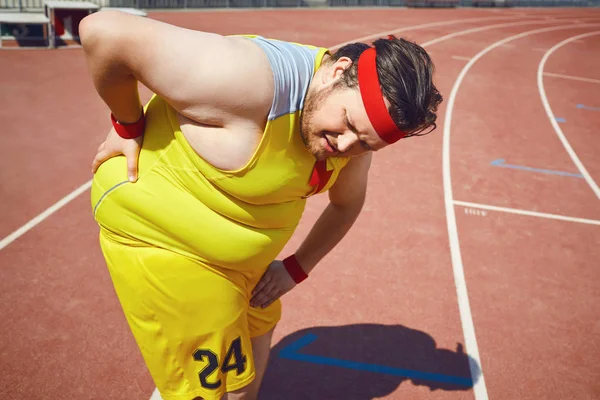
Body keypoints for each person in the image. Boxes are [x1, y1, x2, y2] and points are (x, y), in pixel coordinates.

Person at [79, 9, 442, 400]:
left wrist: (297, 268)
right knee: (218, 387)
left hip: (241, 265)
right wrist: (127, 124)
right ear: (338, 72)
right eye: (349, 125)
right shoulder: (245, 80)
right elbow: (104, 31)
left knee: (259, 327)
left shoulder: (355, 140)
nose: (346, 146)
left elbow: (346, 205)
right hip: (167, 241)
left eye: (366, 143)